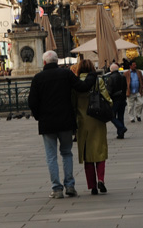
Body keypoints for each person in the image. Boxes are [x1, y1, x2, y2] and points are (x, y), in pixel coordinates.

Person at [28, 51, 96, 198]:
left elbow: (32, 102)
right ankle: (70, 185)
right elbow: (82, 87)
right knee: (66, 153)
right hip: (66, 121)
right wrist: (91, 75)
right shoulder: (66, 74)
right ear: (57, 61)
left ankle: (57, 189)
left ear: (44, 63)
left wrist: (39, 116)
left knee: (51, 156)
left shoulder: (38, 78)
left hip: (47, 123)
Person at [72, 60, 111, 195]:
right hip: (97, 120)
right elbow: (107, 99)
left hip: (82, 122)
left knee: (87, 154)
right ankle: (101, 179)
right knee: (100, 151)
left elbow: (73, 104)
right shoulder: (97, 81)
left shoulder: (75, 83)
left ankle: (92, 186)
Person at [104, 64, 127, 139]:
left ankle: (121, 127)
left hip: (115, 99)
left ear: (111, 70)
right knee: (121, 116)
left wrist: (108, 100)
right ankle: (121, 134)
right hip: (122, 99)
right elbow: (125, 88)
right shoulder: (122, 77)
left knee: (111, 116)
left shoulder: (111, 78)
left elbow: (109, 90)